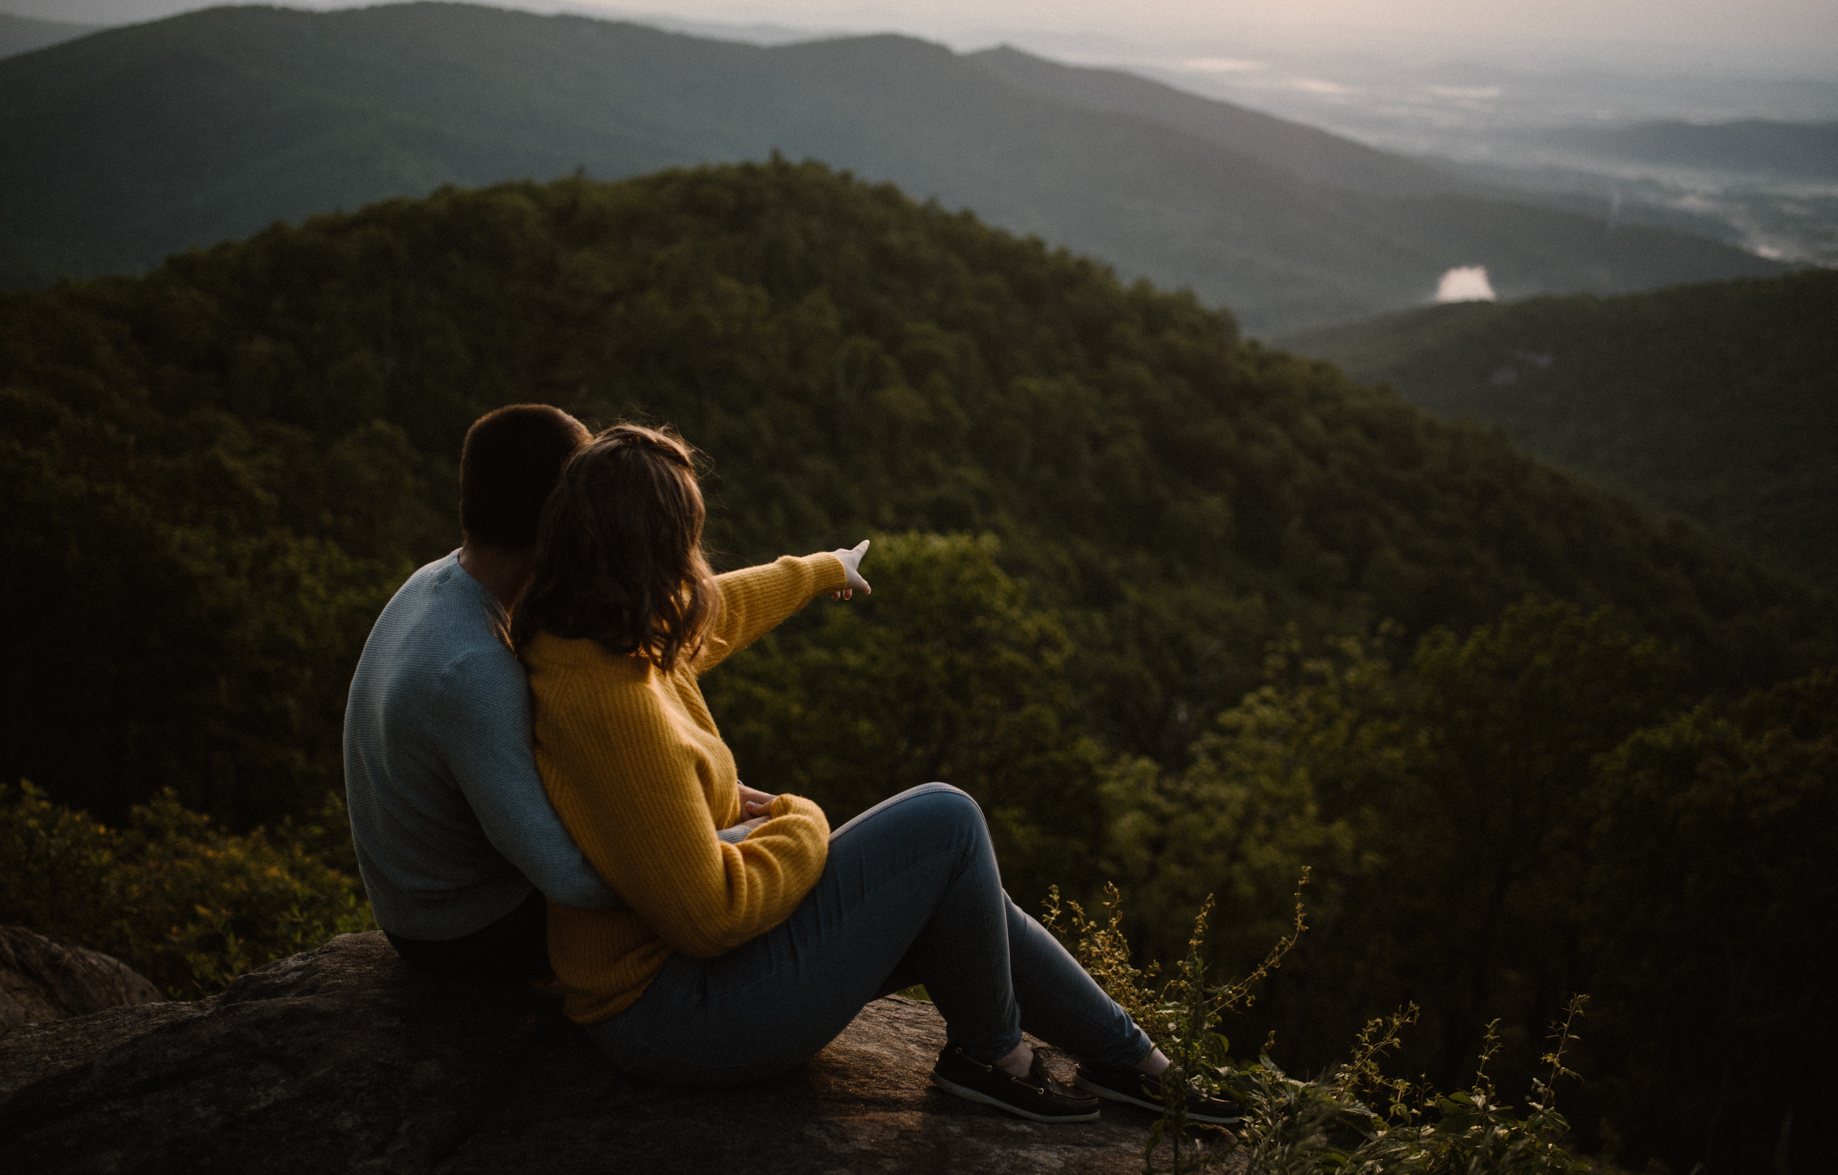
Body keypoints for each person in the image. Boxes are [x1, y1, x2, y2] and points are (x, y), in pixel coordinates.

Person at [511, 423, 1241, 1124]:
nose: (696, 561)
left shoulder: (605, 636)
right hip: (681, 1014)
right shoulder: (612, 703)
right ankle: (995, 1058)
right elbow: (711, 916)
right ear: (653, 552)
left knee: (956, 876)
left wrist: (819, 570)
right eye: (687, 541)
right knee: (946, 822)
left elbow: (718, 611)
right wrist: (799, 818)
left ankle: (1136, 1062)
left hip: (698, 983)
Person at [343, 404, 731, 985]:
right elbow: (571, 879)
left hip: (421, 910)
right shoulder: (472, 667)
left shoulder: (439, 583)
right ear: (564, 514)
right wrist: (714, 849)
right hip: (467, 936)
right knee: (719, 918)